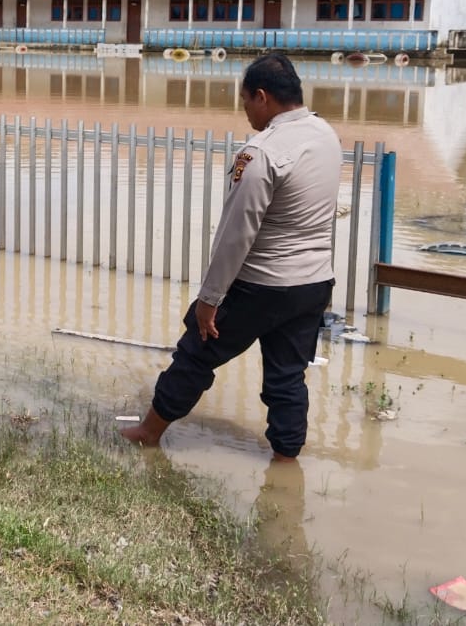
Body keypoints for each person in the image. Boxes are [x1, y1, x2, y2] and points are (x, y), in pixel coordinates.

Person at [120, 52, 340, 461]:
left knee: (196, 353)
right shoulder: (326, 134)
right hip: (313, 284)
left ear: (262, 97)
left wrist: (209, 301)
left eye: (245, 103)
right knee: (288, 375)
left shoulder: (261, 153)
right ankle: (286, 460)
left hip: (263, 284)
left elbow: (236, 237)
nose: (246, 114)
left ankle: (149, 432)